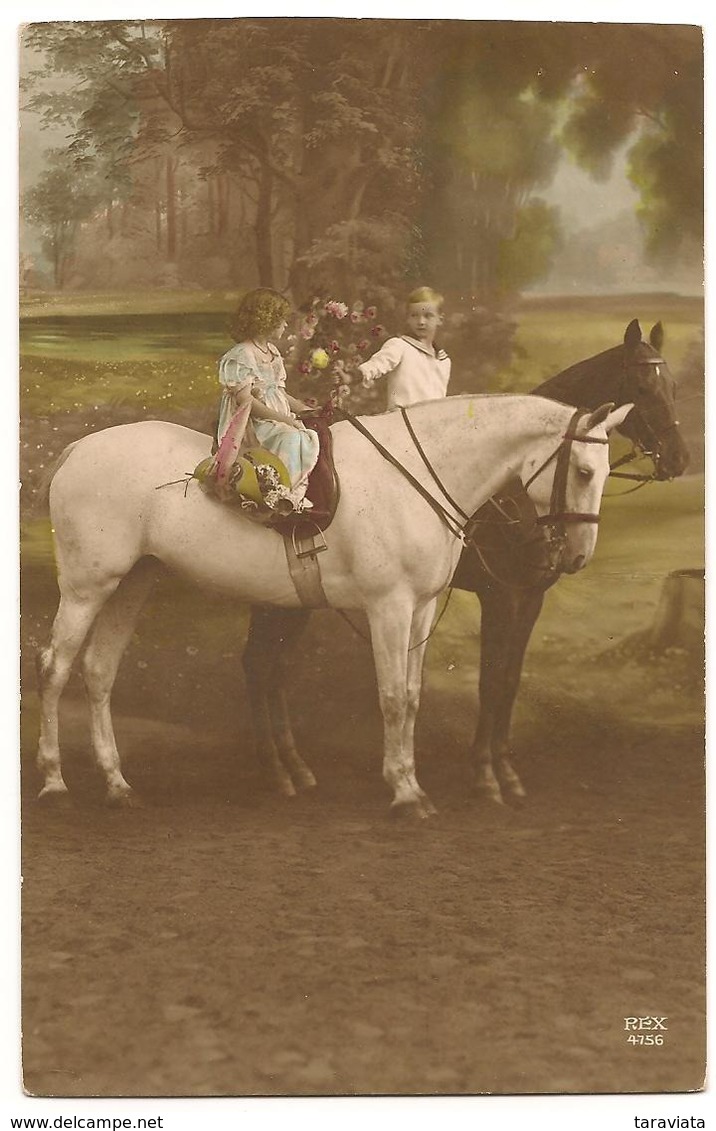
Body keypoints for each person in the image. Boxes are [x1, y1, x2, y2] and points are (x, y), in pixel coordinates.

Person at [215, 288, 319, 509]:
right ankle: (280, 494)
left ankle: (298, 490)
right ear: (266, 320)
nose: (285, 325)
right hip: (252, 424)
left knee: (308, 431)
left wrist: (304, 410)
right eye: (281, 320)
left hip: (275, 419)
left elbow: (279, 392)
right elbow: (246, 401)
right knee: (291, 437)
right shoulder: (242, 354)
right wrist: (283, 419)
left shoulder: (272, 351)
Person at [358, 286, 451, 409]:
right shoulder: (399, 346)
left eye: (428, 316)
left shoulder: (444, 361)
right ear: (408, 318)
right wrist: (357, 374)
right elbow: (377, 364)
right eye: (414, 315)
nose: (421, 321)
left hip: (431, 424)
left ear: (440, 319)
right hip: (401, 423)